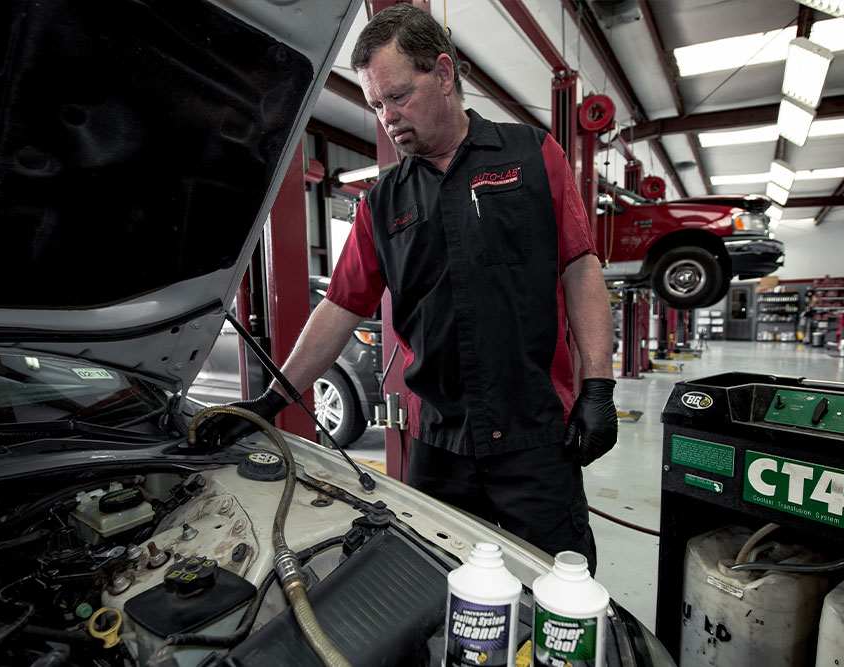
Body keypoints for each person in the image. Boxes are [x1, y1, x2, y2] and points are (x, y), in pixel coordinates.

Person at [199, 4, 617, 572]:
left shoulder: (533, 156)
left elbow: (580, 267)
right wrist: (272, 401)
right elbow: (341, 306)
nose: (387, 118)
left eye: (397, 96)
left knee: (558, 594)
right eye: (375, 105)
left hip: (536, 435)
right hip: (438, 446)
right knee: (433, 589)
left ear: (443, 74)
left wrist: (598, 388)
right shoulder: (382, 201)